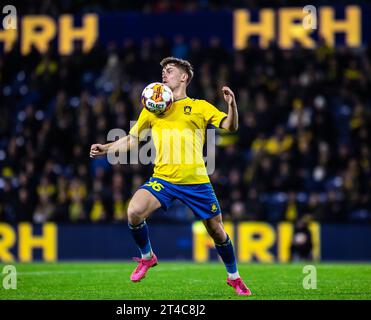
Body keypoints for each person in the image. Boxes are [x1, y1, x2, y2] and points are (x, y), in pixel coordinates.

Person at [90, 57, 251, 296]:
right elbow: (133, 140)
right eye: (163, 71)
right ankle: (147, 257)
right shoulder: (153, 108)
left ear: (184, 76)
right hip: (163, 179)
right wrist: (106, 148)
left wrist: (232, 105)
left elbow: (230, 126)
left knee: (216, 231)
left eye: (170, 70)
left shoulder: (200, 106)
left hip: (196, 181)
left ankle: (234, 277)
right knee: (133, 211)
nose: (164, 74)